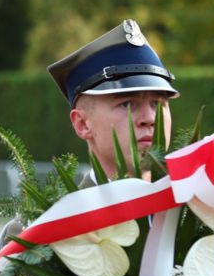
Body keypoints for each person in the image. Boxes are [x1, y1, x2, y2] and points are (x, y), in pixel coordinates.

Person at [47, 19, 178, 182]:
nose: (150, 119)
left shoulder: (199, 204)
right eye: (127, 104)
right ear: (82, 123)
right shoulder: (73, 209)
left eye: (157, 104)